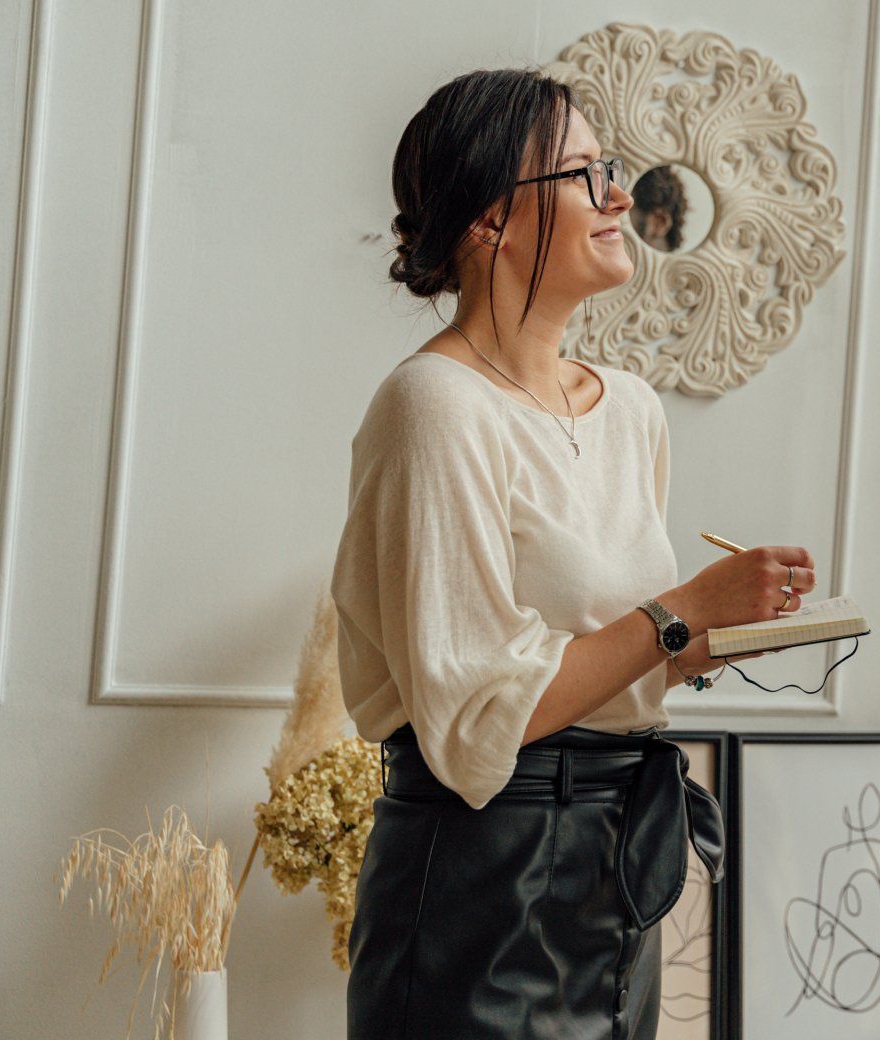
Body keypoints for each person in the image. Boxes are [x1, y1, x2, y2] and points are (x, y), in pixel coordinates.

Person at [334, 68, 814, 1038]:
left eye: (614, 168)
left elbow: (606, 651)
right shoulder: (433, 408)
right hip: (482, 871)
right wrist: (679, 612)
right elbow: (474, 721)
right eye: (584, 174)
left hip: (613, 867)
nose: (620, 195)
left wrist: (708, 633)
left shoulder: (631, 409)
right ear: (489, 222)